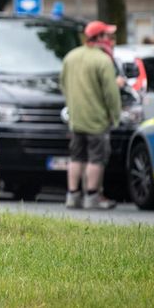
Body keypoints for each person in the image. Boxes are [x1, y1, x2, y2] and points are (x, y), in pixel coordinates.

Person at [60, 20, 122, 210]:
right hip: (97, 119)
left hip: (76, 118)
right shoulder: (103, 60)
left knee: (76, 157)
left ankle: (72, 195)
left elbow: (63, 84)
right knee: (96, 158)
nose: (110, 39)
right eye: (108, 35)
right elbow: (111, 93)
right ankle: (92, 196)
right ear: (99, 37)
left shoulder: (71, 56)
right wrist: (115, 115)